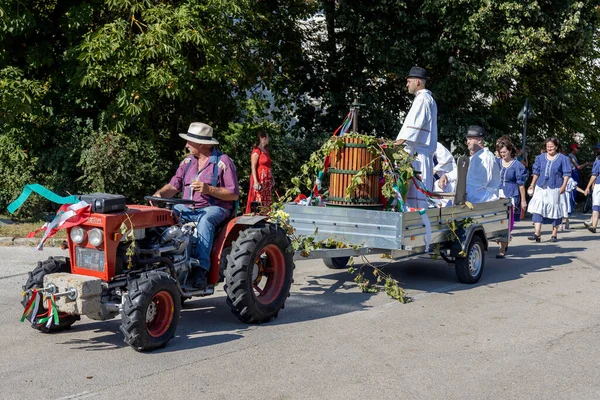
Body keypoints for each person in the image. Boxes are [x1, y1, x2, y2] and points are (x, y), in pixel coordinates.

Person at [153, 122, 240, 289]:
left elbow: (233, 193)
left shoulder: (223, 162)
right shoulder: (187, 162)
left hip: (213, 208)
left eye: (189, 142)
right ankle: (166, 263)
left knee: (206, 220)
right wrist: (159, 195)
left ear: (201, 144)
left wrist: (209, 189)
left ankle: (201, 269)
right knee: (164, 215)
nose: (186, 145)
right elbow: (173, 186)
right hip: (186, 208)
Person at [394, 66, 438, 209]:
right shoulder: (425, 99)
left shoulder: (423, 99)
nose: (407, 84)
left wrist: (397, 143)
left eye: (409, 81)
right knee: (413, 200)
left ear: (418, 82)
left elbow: (414, 125)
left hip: (418, 159)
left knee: (418, 203)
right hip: (417, 156)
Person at [438, 125, 500, 203]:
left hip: (484, 203)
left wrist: (455, 189)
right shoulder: (474, 158)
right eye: (467, 139)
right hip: (473, 201)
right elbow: (460, 171)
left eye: (470, 139)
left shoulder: (486, 157)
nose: (467, 142)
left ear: (479, 140)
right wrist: (446, 176)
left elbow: (477, 185)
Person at [526, 137, 571, 243]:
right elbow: (536, 172)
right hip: (541, 186)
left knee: (555, 209)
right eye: (547, 146)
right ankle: (537, 233)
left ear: (556, 146)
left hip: (555, 187)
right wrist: (532, 184)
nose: (549, 148)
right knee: (538, 208)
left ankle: (554, 234)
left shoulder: (563, 158)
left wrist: (564, 186)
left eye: (551, 146)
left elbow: (566, 174)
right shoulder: (540, 158)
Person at [495, 139, 528, 258]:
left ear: (510, 151)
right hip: (497, 193)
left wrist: (523, 200)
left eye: (504, 152)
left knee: (506, 222)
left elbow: (521, 184)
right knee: (497, 221)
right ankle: (504, 240)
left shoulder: (517, 165)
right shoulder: (497, 162)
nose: (503, 154)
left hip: (511, 195)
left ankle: (502, 248)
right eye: (501, 152)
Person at [245, 131, 274, 214]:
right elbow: (253, 167)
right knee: (259, 199)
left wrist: (272, 178)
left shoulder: (265, 150)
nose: (268, 139)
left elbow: (269, 166)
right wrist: (256, 181)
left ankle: (266, 216)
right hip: (259, 179)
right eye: (267, 137)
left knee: (267, 200)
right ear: (263, 138)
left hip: (267, 181)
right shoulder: (256, 151)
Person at [567, 143, 591, 211]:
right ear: (573, 149)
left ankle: (571, 208)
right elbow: (578, 167)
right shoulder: (570, 156)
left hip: (575, 174)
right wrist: (586, 164)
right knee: (572, 190)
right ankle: (569, 208)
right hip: (572, 174)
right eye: (577, 148)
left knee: (574, 190)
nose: (578, 150)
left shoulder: (574, 156)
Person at [583, 146, 600, 233]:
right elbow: (594, 175)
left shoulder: (598, 161)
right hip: (598, 184)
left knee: (596, 206)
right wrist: (590, 185)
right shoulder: (597, 161)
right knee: (596, 206)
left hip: (598, 185)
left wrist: (588, 187)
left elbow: (594, 175)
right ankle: (593, 226)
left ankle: (593, 225)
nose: (596, 150)